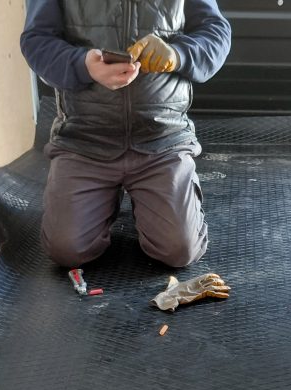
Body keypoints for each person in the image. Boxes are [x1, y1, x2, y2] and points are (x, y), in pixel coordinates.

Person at [21, 0, 231, 269]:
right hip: (84, 139)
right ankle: (111, 200)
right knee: (66, 250)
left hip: (162, 138)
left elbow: (216, 31)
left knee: (180, 249)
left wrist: (178, 54)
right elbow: (36, 39)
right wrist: (83, 65)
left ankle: (151, 200)